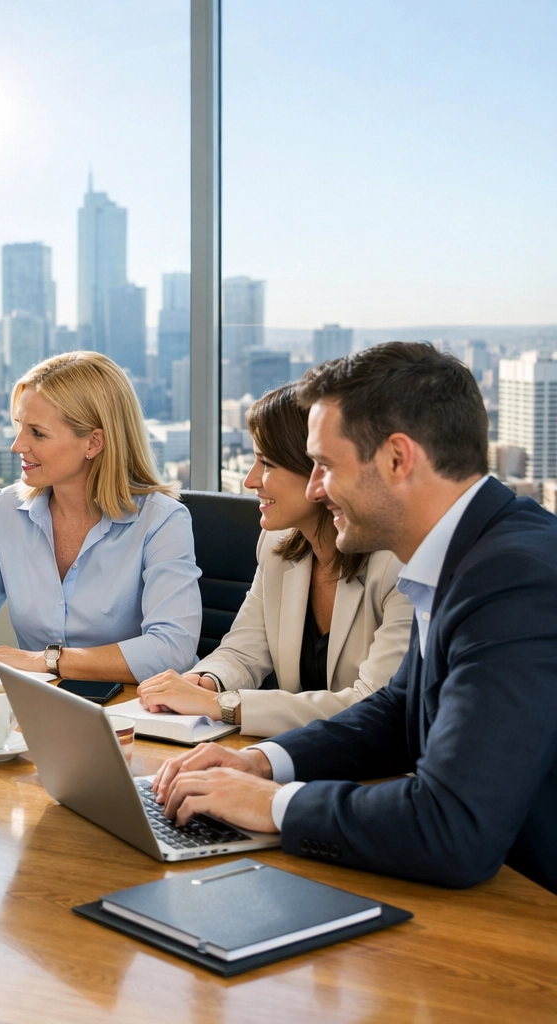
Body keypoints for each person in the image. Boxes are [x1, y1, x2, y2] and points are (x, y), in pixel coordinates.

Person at [154, 342, 557, 893]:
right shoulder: (464, 552)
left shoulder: (515, 580)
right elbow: (397, 710)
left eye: (324, 465)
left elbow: (452, 828)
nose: (316, 487)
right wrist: (263, 763)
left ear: (397, 458)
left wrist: (275, 805)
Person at [0, 350, 201, 683]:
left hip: (136, 711)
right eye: (19, 427)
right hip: (35, 708)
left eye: (37, 433)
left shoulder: (162, 521)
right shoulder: (7, 509)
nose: (17, 445)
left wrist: (46, 660)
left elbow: (171, 648)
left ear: (94, 442)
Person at [137, 384, 414, 736]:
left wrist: (225, 706)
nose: (251, 480)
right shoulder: (278, 542)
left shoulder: (398, 563)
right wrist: (202, 683)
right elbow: (243, 650)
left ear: (319, 469)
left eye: (266, 463)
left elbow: (372, 704)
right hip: (300, 754)